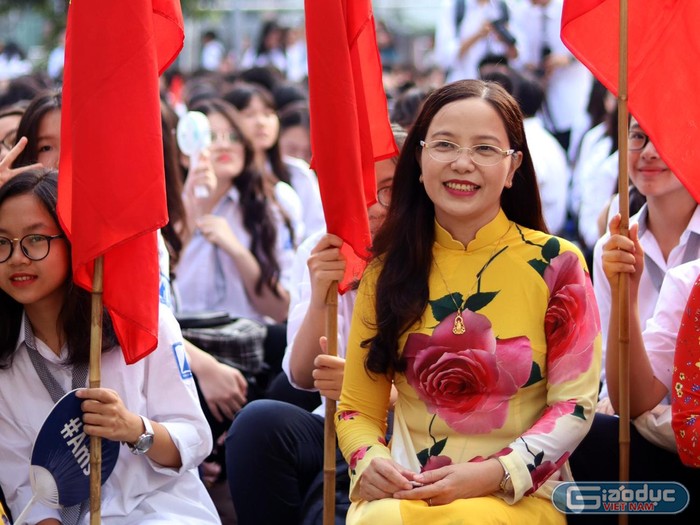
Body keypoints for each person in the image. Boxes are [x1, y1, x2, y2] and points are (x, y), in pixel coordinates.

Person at [335, 79, 601, 524]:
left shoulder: (557, 264)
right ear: (419, 159)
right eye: (444, 144)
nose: (462, 163)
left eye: (484, 149)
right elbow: (357, 407)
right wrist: (369, 460)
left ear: (513, 166)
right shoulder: (383, 271)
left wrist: (495, 473)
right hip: (408, 493)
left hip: (520, 494)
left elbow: (574, 405)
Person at [0, 169, 220, 524]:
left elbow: (195, 438)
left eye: (35, 240)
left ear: (74, 241)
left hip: (160, 511)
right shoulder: (6, 360)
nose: (17, 257)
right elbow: (22, 487)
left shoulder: (142, 324)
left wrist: (134, 428)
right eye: (2, 242)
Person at [225, 124, 407, 525]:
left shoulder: (435, 249)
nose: (374, 206)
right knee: (258, 425)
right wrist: (322, 293)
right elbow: (301, 375)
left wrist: (373, 391)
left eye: (390, 189)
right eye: (357, 191)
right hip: (338, 420)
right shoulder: (322, 247)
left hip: (414, 426)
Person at [568, 221, 699, 524]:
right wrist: (625, 295)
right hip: (686, 455)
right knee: (587, 435)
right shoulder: (689, 281)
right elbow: (636, 401)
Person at [591, 118, 700, 410]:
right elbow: (613, 385)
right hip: (634, 428)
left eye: (666, 139)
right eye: (638, 137)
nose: (649, 152)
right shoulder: (613, 248)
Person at [224, 82, 324, 240]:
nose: (261, 122)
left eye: (268, 113)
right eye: (249, 115)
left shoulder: (297, 173)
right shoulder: (224, 177)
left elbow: (315, 232)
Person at [434, 0, 517, 83]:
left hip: (497, 85)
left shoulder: (502, 7)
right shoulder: (454, 6)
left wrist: (504, 37)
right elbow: (445, 57)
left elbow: (518, 57)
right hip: (463, 84)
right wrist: (478, 35)